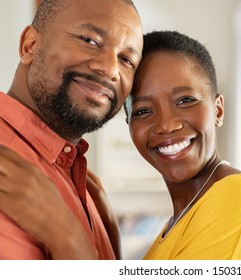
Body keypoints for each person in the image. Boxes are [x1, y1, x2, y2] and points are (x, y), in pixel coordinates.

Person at [1, 30, 241, 260]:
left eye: (185, 100)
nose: (165, 125)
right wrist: (109, 242)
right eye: (142, 111)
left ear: (218, 110)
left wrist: (66, 235)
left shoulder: (235, 201)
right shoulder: (185, 215)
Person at [0, 0, 143, 260]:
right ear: (30, 45)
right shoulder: (8, 169)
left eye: (126, 59)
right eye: (89, 40)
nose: (110, 69)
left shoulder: (86, 187)